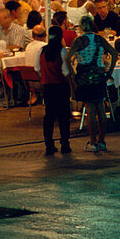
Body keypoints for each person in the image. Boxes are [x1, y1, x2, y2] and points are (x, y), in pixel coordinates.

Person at [67, 15, 116, 152]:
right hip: (99, 76)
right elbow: (114, 53)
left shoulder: (79, 41)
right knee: (100, 107)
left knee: (90, 110)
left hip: (84, 77)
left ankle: (93, 142)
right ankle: (102, 140)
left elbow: (67, 58)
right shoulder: (99, 39)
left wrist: (74, 74)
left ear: (81, 27)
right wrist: (109, 71)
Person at [36, 25, 71, 155]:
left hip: (48, 87)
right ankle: (65, 144)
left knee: (49, 116)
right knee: (63, 116)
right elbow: (65, 72)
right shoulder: (62, 51)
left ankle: (49, 145)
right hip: (61, 87)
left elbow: (37, 68)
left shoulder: (42, 51)